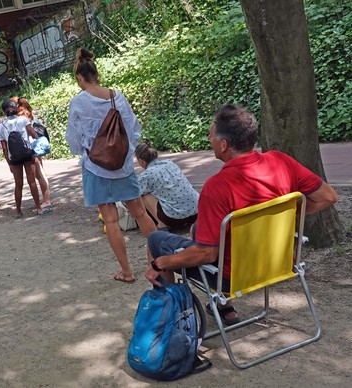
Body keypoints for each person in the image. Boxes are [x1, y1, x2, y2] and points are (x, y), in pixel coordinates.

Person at [144, 104, 338, 324]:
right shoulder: (281, 161)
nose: (209, 139)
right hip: (276, 262)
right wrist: (291, 216)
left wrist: (160, 263)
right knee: (198, 228)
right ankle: (224, 307)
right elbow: (328, 196)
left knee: (155, 239)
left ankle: (175, 322)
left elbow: (206, 255)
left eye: (211, 135)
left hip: (231, 277)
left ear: (224, 144)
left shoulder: (217, 187)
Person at [65, 48, 157, 284]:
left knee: (111, 221)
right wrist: (122, 155)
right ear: (96, 73)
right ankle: (158, 263)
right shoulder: (118, 96)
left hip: (96, 168)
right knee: (140, 213)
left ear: (79, 77)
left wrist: (91, 149)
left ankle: (127, 272)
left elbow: (75, 141)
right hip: (123, 166)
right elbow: (133, 130)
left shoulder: (78, 103)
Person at [0, 99, 48, 217]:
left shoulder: (1, 127)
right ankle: (38, 208)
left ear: (4, 112)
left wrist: (9, 163)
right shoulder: (23, 120)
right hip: (27, 154)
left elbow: (4, 148)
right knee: (32, 181)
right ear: (15, 108)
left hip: (14, 158)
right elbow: (34, 134)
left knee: (18, 184)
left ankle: (18, 211)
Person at [135, 140, 199, 231]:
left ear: (141, 161)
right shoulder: (170, 163)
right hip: (195, 212)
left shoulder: (147, 175)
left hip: (174, 218)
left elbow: (135, 193)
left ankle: (162, 225)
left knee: (144, 195)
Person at [12, 96, 52, 208]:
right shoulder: (33, 117)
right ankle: (46, 198)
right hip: (37, 148)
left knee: (39, 175)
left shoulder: (22, 119)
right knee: (40, 174)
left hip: (30, 150)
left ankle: (46, 200)